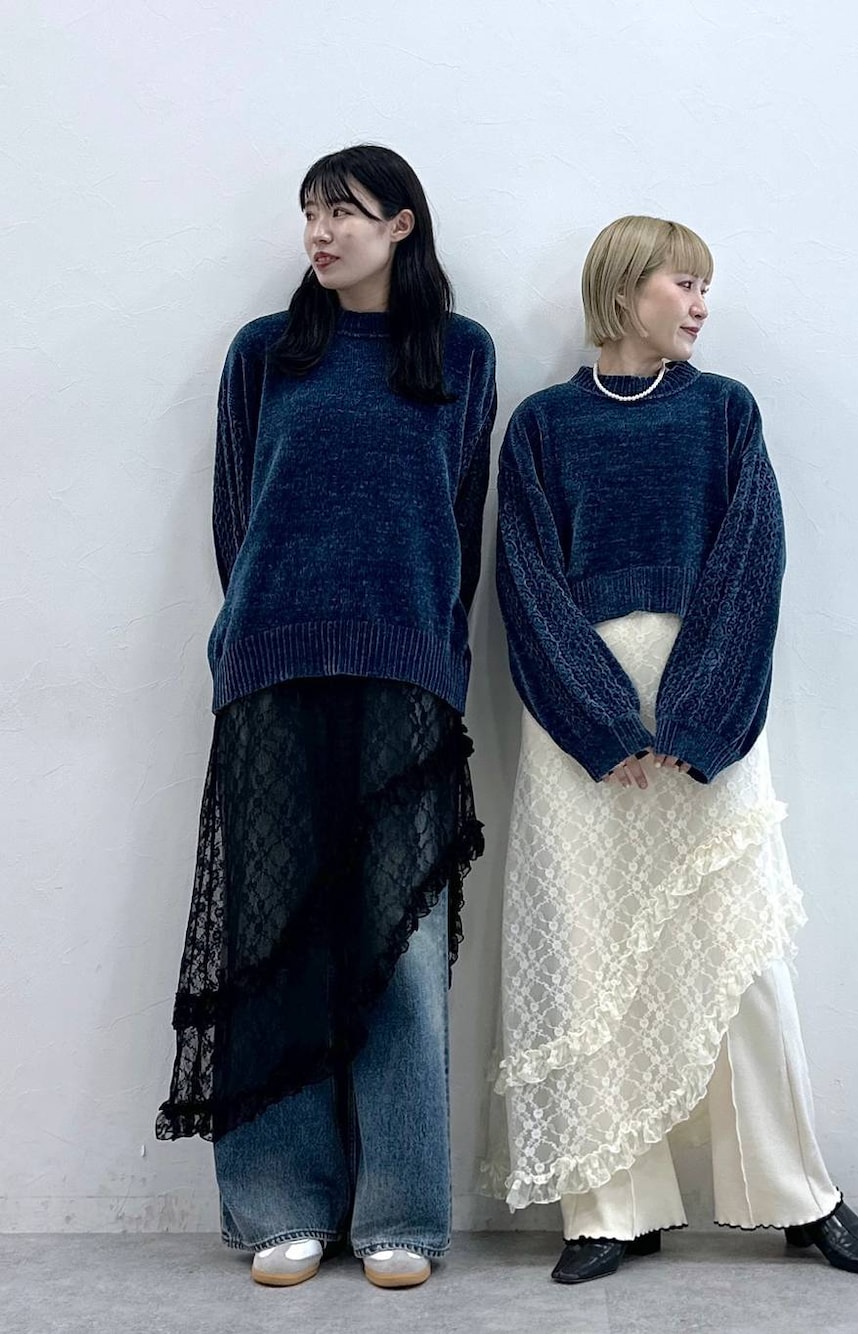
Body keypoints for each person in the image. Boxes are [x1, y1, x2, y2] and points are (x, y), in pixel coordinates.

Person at [483, 215, 858, 1284]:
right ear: (627, 289)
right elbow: (526, 582)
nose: (702, 304)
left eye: (705, 287)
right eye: (686, 283)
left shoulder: (725, 411)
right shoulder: (542, 426)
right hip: (579, 727)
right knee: (587, 951)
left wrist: (699, 721)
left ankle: (798, 1196)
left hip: (705, 711)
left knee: (741, 954)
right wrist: (601, 723)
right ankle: (612, 1208)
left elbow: (752, 565)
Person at [156, 144, 497, 1291]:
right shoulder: (265, 352)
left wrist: (434, 654)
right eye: (308, 211)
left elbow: (459, 517)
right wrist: (253, 632)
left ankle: (401, 1209)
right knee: (273, 941)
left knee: (400, 944)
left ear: (401, 225)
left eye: (343, 211)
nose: (319, 230)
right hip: (273, 666)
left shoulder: (459, 353)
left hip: (405, 672)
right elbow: (237, 512)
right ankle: (279, 1202)